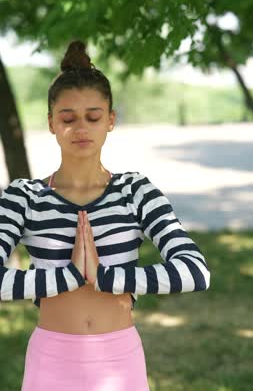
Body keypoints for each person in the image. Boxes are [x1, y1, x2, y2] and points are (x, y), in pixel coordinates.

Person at [0, 40, 211, 391]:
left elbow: (195, 271)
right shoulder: (25, 196)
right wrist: (68, 276)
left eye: (93, 117)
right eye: (67, 118)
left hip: (119, 360)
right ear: (51, 123)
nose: (80, 128)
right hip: (51, 360)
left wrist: (106, 277)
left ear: (110, 120)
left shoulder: (135, 191)